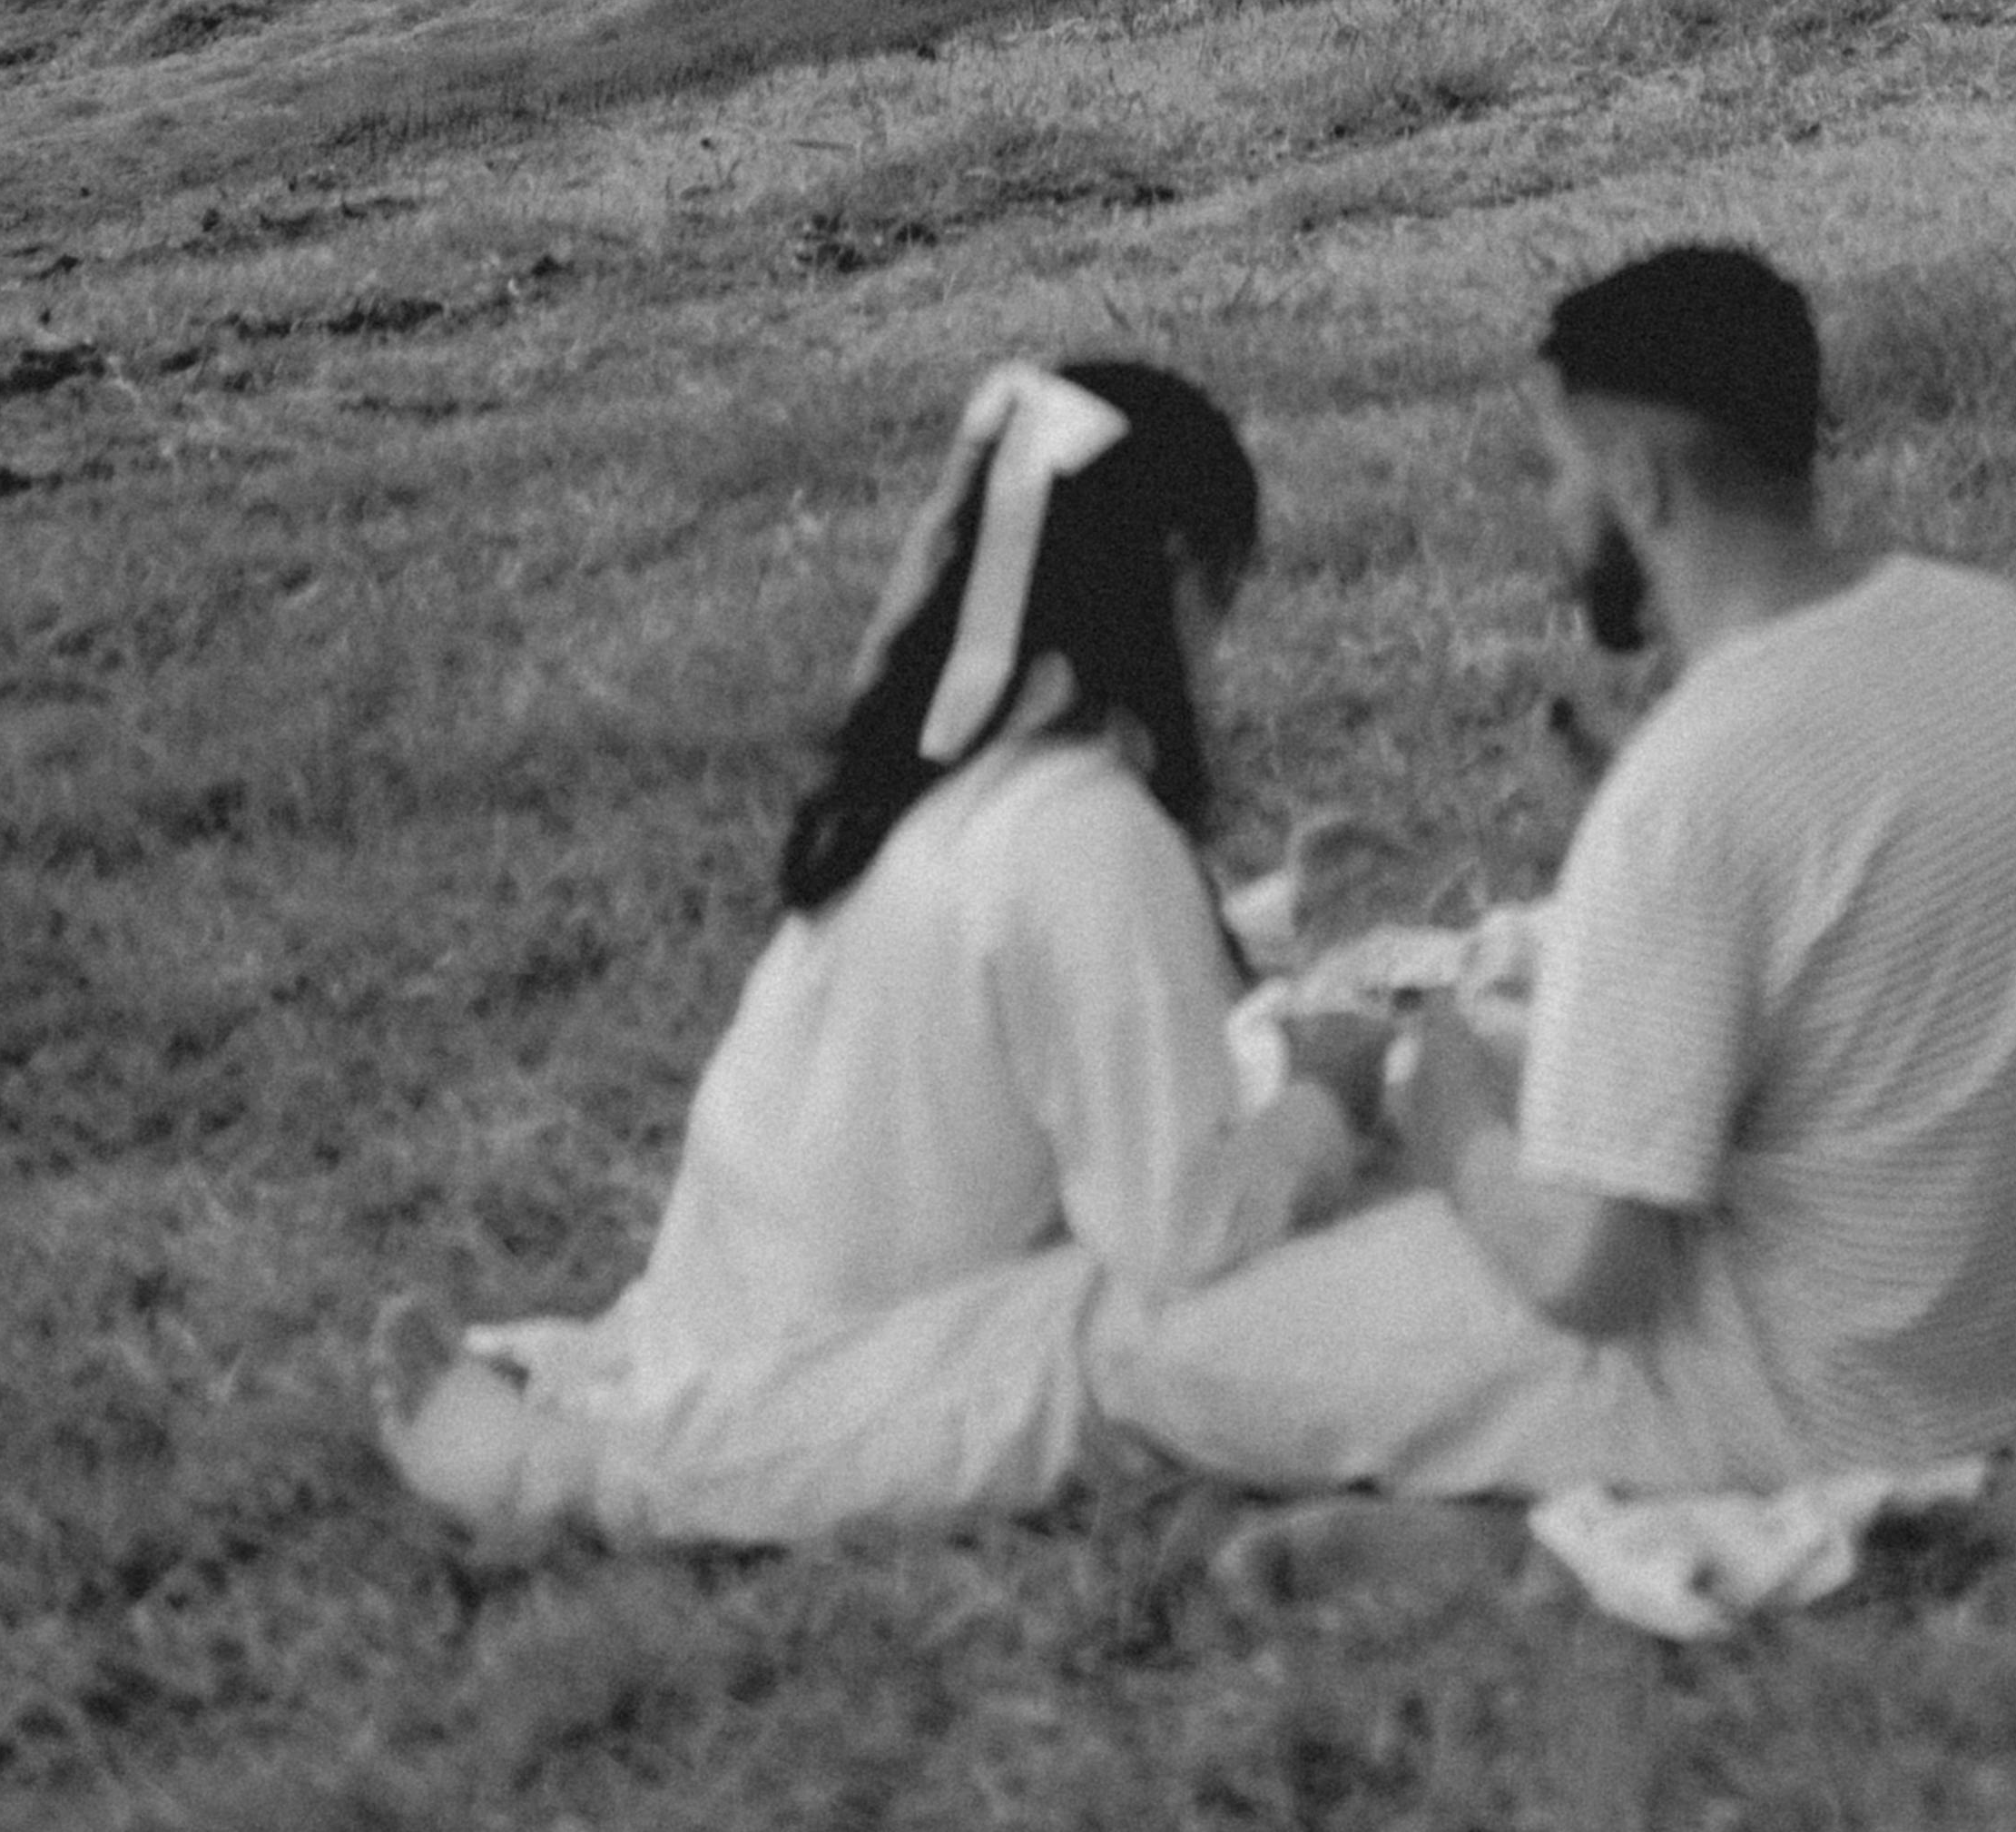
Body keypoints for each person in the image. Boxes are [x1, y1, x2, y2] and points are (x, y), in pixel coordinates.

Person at [1092, 242, 2016, 1501]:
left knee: (1141, 1342)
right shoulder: (1978, 618)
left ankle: (1518, 1528)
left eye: (1557, 472)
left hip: (1827, 1400)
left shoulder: (1692, 787)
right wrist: (1619, 839)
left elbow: (1595, 1280)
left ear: (1637, 482)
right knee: (1486, 1046)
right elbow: (1831, 881)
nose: (1550, 513)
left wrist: (1453, 1131)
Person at [374, 356, 1369, 1546]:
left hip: (732, 1295)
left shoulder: (944, 787)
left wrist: (1267, 925)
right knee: (1118, 1317)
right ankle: (597, 1471)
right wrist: (1327, 1105)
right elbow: (1177, 1227)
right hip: (854, 1361)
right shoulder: (1086, 831)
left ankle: (626, 1405)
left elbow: (1032, 1001)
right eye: (1218, 605)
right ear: (1169, 584)